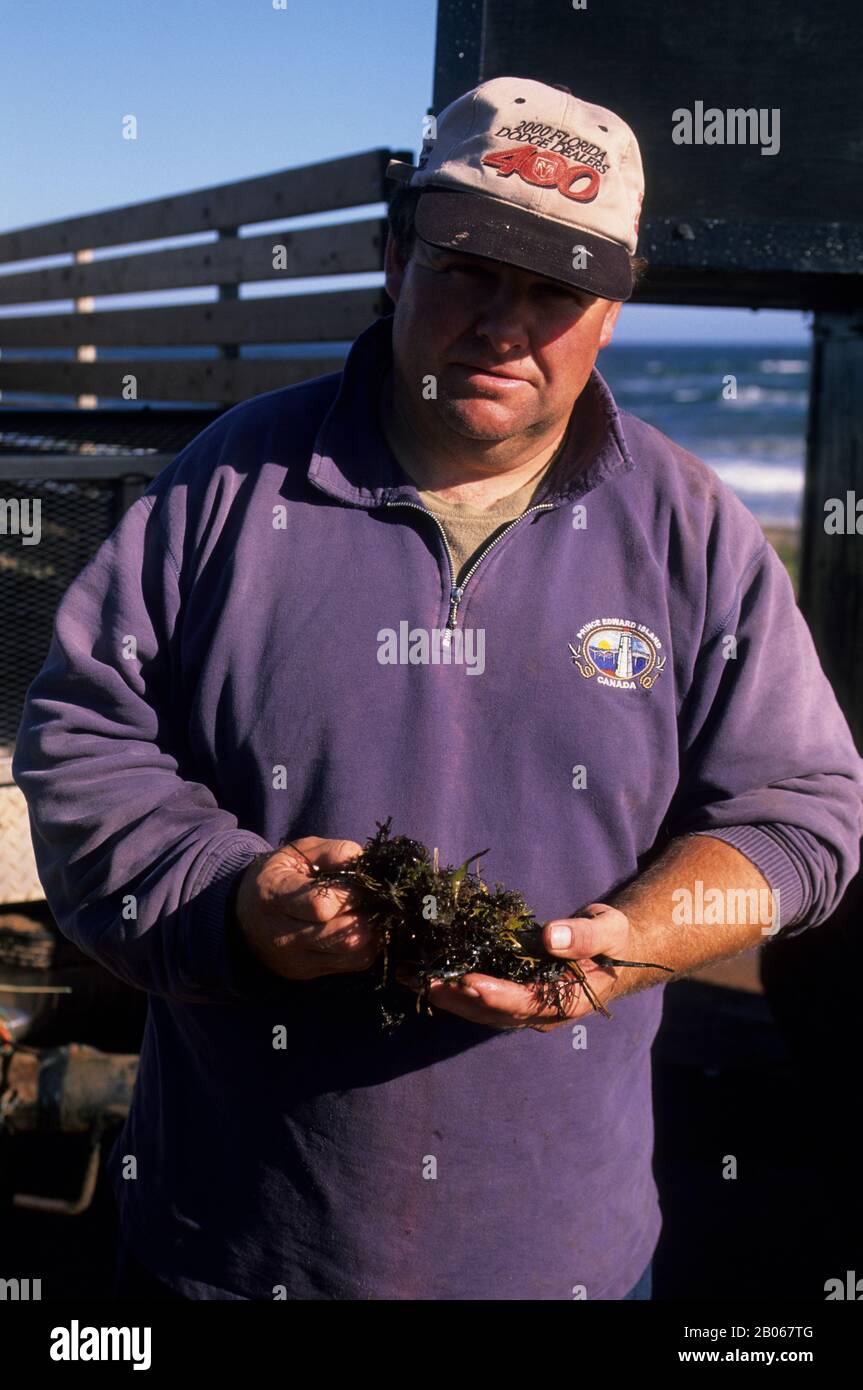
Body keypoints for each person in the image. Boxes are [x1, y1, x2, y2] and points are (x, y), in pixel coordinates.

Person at [13, 76, 863, 1302]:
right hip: (232, 1247)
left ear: (611, 311)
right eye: (469, 266)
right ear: (396, 254)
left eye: (556, 286)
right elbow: (85, 737)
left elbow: (801, 810)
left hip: (554, 1254)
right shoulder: (224, 487)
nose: (505, 326)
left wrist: (626, 944)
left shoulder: (692, 529)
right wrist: (231, 900)